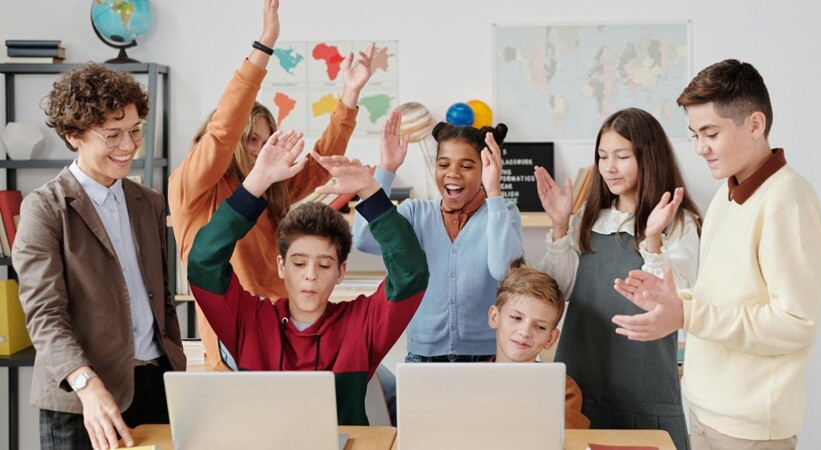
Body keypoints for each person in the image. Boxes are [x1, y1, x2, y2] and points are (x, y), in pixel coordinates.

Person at [613, 60, 821, 449]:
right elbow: (722, 299)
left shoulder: (787, 202)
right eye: (695, 134)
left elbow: (796, 323)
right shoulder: (727, 197)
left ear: (755, 124)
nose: (699, 148)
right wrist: (672, 303)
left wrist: (688, 314)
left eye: (710, 133)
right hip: (705, 408)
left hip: (749, 427)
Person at [168, 0, 376, 371]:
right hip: (238, 343)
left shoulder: (271, 189)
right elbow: (222, 130)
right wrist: (264, 45)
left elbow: (319, 164)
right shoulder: (195, 187)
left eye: (267, 140)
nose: (260, 150)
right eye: (251, 140)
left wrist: (350, 95)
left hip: (286, 333)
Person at [185, 127, 429, 425]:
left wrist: (371, 193)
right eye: (299, 264)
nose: (310, 276)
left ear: (341, 272)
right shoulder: (250, 321)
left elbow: (411, 273)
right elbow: (202, 263)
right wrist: (256, 184)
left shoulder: (360, 324)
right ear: (281, 266)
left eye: (324, 266)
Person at [12, 63, 186, 450]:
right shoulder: (45, 208)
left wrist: (173, 360)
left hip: (155, 386)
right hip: (83, 398)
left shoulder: (149, 203)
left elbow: (161, 296)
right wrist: (87, 386)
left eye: (135, 130)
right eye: (112, 135)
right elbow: (45, 316)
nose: (128, 146)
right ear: (74, 136)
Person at [534, 107, 702, 449]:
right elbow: (557, 291)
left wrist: (652, 239)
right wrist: (560, 226)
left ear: (649, 157)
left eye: (622, 156)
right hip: (579, 386)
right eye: (602, 156)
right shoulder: (589, 218)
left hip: (645, 390)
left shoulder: (678, 222)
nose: (609, 167)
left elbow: (679, 303)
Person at [353, 110, 524, 362]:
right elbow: (364, 239)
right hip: (423, 358)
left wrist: (494, 191)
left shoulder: (502, 212)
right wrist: (386, 169)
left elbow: (503, 271)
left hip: (485, 357)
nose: (452, 173)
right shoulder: (414, 213)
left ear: (485, 169)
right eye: (443, 164)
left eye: (466, 166)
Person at [487, 258, 590, 430]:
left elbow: (566, 442)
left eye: (540, 326)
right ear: (494, 317)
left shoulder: (563, 388)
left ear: (551, 338)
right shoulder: (468, 380)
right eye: (516, 318)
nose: (525, 332)